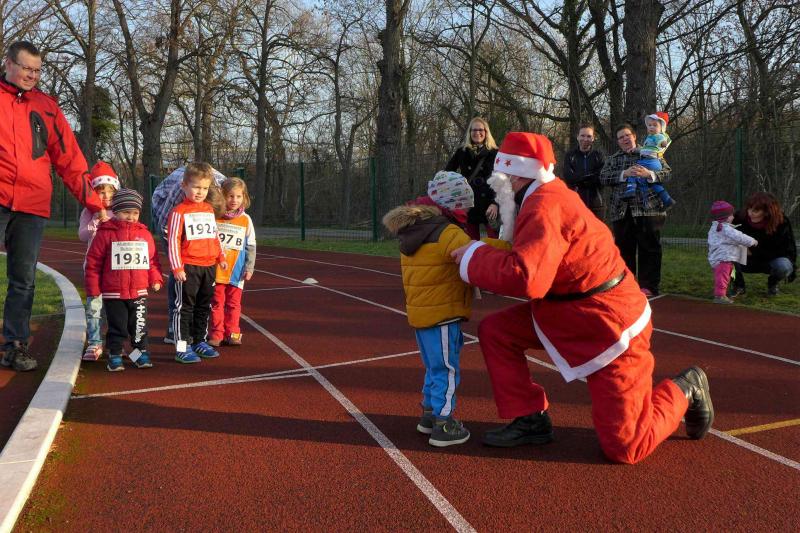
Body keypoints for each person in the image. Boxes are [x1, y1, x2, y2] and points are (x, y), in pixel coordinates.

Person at [451, 132, 713, 465]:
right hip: (569, 311)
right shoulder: (541, 195)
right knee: (496, 331)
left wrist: (472, 257)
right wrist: (481, 253)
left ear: (515, 175)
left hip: (607, 323)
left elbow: (527, 277)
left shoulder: (543, 205)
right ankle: (530, 418)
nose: (497, 186)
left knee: (626, 446)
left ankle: (686, 387)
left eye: (500, 178)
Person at [1, 41, 104, 372]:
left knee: (24, 279)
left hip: (32, 205)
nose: (32, 75)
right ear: (8, 63)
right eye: (26, 68)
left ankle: (15, 346)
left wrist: (94, 202)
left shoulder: (47, 107)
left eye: (37, 70)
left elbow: (70, 160)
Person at [382, 171, 476, 447]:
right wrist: (506, 247)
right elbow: (475, 254)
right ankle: (444, 423)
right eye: (465, 205)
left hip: (421, 313)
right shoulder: (448, 233)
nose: (468, 211)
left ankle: (429, 413)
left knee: (433, 366)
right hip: (443, 313)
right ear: (454, 205)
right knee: (447, 368)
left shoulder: (416, 230)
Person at [84, 189, 162, 371]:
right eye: (126, 212)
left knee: (139, 326)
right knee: (117, 326)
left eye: (135, 213)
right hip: (114, 292)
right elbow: (93, 263)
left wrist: (155, 278)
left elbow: (152, 261)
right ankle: (115, 353)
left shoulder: (145, 234)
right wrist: (93, 288)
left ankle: (140, 353)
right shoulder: (105, 233)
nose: (131, 217)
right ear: (116, 211)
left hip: (139, 291)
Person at [151, 164, 226, 343]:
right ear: (184, 186)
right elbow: (171, 239)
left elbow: (214, 234)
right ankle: (180, 344)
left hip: (207, 265)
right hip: (188, 264)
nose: (200, 192)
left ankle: (200, 341)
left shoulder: (209, 207)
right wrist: (177, 267)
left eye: (205, 189)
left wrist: (220, 256)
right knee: (184, 305)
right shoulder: (177, 209)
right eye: (197, 188)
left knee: (203, 305)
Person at [600, 123, 672, 297]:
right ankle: (626, 286)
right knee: (624, 250)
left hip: (649, 209)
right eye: (620, 137)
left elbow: (667, 173)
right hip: (621, 210)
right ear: (618, 142)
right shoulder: (613, 159)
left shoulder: (651, 151)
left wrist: (649, 175)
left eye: (627, 135)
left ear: (634, 136)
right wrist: (624, 174)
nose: (624, 139)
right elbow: (602, 177)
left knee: (650, 248)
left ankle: (649, 287)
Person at [78, 161, 121, 360]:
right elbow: (82, 235)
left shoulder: (120, 211)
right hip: (94, 269)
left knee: (115, 308)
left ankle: (116, 343)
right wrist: (96, 220)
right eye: (101, 192)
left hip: (116, 268)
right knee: (94, 307)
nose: (106, 196)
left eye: (110, 191)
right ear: (94, 193)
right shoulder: (88, 212)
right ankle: (95, 343)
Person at [209, 178, 256, 347]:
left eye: (238, 196)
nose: (234, 200)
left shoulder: (246, 219)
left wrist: (249, 267)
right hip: (217, 271)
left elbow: (251, 245)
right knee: (216, 303)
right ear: (222, 196)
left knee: (234, 304)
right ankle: (216, 334)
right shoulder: (215, 217)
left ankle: (233, 332)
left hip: (237, 272)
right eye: (230, 196)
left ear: (244, 197)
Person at [730, 192, 797, 297]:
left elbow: (786, 250)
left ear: (767, 212)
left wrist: (752, 251)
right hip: (745, 258)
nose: (750, 213)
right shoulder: (739, 217)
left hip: (771, 259)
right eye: (749, 208)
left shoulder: (781, 222)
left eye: (756, 210)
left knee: (784, 266)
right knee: (723, 255)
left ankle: (773, 283)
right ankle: (738, 286)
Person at [445, 117, 499, 240]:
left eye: (480, 130)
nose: (477, 133)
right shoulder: (462, 152)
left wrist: (495, 203)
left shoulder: (495, 153)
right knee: (470, 242)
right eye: (474, 130)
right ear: (470, 132)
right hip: (468, 202)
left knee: (494, 242)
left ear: (486, 132)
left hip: (489, 202)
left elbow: (502, 181)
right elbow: (447, 173)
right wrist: (456, 192)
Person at [707, 200, 757, 304]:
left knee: (722, 276)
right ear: (725, 218)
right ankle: (720, 296)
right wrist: (752, 241)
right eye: (731, 215)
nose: (733, 217)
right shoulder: (726, 229)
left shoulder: (715, 227)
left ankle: (721, 293)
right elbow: (740, 237)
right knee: (723, 277)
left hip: (717, 258)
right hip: (724, 258)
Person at [622, 112, 675, 208]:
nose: (651, 127)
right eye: (649, 125)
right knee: (653, 184)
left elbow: (662, 141)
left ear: (661, 128)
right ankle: (667, 199)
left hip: (651, 161)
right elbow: (644, 150)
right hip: (651, 161)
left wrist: (663, 143)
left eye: (655, 125)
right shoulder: (649, 138)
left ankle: (630, 190)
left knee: (634, 170)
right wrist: (636, 150)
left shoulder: (658, 136)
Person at [562, 124, 605, 219]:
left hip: (596, 205)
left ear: (593, 138)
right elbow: (568, 177)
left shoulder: (599, 155)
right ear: (577, 136)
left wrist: (580, 179)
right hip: (576, 204)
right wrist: (590, 177)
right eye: (582, 135)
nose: (585, 139)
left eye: (589, 136)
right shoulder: (570, 155)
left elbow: (601, 177)